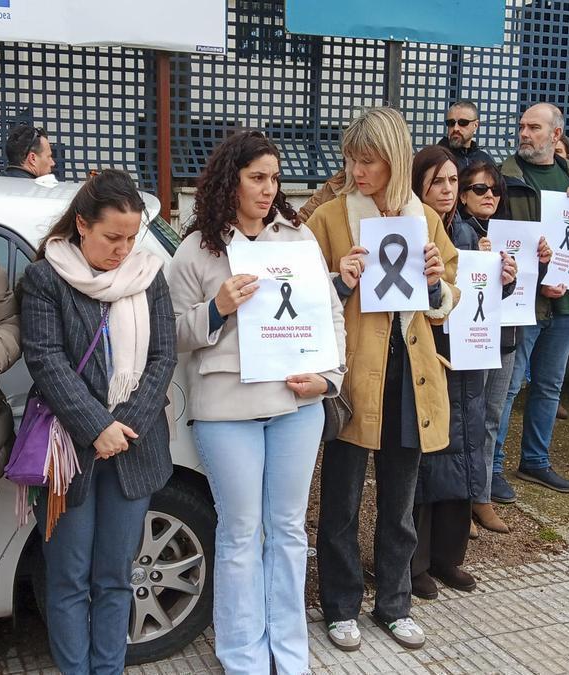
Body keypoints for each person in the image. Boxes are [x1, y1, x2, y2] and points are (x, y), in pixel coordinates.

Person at [170, 131, 345, 674]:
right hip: (226, 408)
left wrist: (329, 377)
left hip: (296, 405)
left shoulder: (297, 239)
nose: (269, 189)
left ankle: (290, 655)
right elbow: (171, 333)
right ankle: (243, 655)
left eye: (274, 178)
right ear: (231, 181)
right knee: (242, 530)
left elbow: (329, 316)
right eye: (257, 178)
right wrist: (217, 310)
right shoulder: (196, 247)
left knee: (290, 529)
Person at [308, 107, 458, 652]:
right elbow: (300, 299)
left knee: (400, 499)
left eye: (367, 160)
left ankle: (394, 603)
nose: (356, 170)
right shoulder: (328, 217)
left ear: (394, 161)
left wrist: (440, 286)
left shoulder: (426, 218)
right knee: (341, 499)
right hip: (352, 378)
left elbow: (450, 297)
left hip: (412, 375)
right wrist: (337, 281)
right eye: (351, 158)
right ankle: (340, 604)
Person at [20, 169, 177, 674]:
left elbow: (163, 356)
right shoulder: (48, 277)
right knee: (68, 579)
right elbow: (44, 359)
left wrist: (125, 424)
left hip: (136, 447)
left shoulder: (150, 275)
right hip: (70, 451)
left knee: (115, 576)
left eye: (132, 237)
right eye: (112, 237)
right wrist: (96, 426)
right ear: (82, 226)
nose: (123, 249)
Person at [408, 146, 516, 599]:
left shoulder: (473, 233)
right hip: (429, 355)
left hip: (469, 354)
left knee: (465, 450)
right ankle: (412, 564)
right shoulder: (410, 229)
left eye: (454, 182)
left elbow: (486, 304)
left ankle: (448, 558)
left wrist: (505, 279)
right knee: (426, 461)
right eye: (438, 182)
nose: (448, 190)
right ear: (419, 186)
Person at [491, 103, 569, 499]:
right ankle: (494, 467)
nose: (524, 133)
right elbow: (498, 241)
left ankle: (536, 461)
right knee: (509, 386)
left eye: (533, 127)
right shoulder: (504, 179)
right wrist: (539, 280)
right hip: (524, 303)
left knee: (550, 387)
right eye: (521, 126)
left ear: (556, 135)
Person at [456, 160, 553, 516]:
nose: (490, 196)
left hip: (506, 334)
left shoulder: (509, 230)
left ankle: (480, 497)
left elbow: (521, 287)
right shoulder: (457, 230)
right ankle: (461, 500)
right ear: (463, 194)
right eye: (480, 189)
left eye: (495, 189)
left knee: (494, 415)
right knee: (469, 418)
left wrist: (540, 261)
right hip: (473, 337)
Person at [438, 100, 496, 172]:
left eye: (463, 123)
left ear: (475, 125)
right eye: (451, 123)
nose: (455, 128)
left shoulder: (485, 161)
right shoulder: (437, 158)